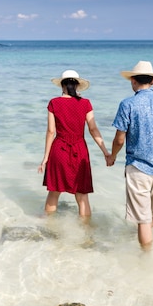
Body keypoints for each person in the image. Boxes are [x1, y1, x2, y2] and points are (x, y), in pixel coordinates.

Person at [107, 61, 153, 249]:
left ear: (132, 80)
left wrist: (112, 156)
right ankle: (147, 250)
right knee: (151, 216)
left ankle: (145, 261)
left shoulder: (127, 104)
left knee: (143, 220)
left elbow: (119, 139)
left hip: (138, 167)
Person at [38, 69, 110, 218]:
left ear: (62, 85)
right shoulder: (85, 103)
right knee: (82, 195)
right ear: (77, 86)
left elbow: (51, 132)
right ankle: (85, 233)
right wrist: (106, 152)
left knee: (54, 192)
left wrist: (45, 158)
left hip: (59, 150)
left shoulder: (54, 103)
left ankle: (49, 228)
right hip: (79, 150)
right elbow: (93, 129)